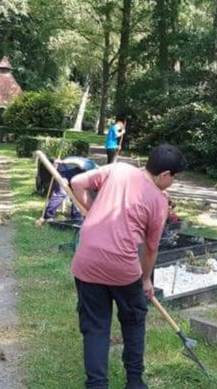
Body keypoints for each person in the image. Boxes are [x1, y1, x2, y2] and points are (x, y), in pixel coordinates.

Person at [70, 144, 186, 389]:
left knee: (96, 327)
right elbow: (151, 248)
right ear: (165, 175)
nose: (172, 183)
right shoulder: (158, 201)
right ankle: (134, 381)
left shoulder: (119, 169)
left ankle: (96, 385)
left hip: (86, 262)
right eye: (174, 179)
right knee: (133, 323)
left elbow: (78, 182)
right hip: (123, 269)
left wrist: (92, 213)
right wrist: (145, 280)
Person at [43, 156, 97, 222]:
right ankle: (48, 216)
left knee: (76, 194)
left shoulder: (95, 171)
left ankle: (76, 216)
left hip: (73, 171)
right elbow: (77, 162)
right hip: (65, 170)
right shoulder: (90, 166)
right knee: (61, 193)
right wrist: (63, 162)